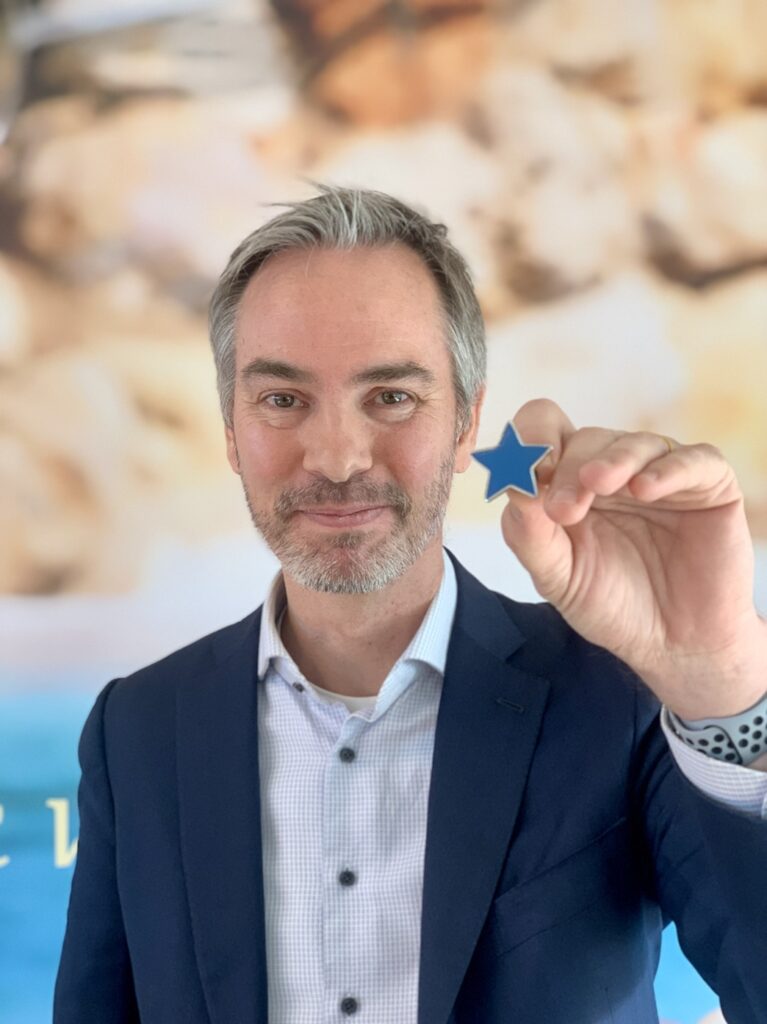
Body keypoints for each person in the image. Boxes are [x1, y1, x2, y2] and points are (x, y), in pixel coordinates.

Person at [54, 186, 767, 1024]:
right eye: (282, 400)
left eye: (391, 397)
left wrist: (722, 682)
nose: (338, 456)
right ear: (229, 428)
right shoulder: (136, 728)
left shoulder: (614, 695)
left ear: (467, 421)